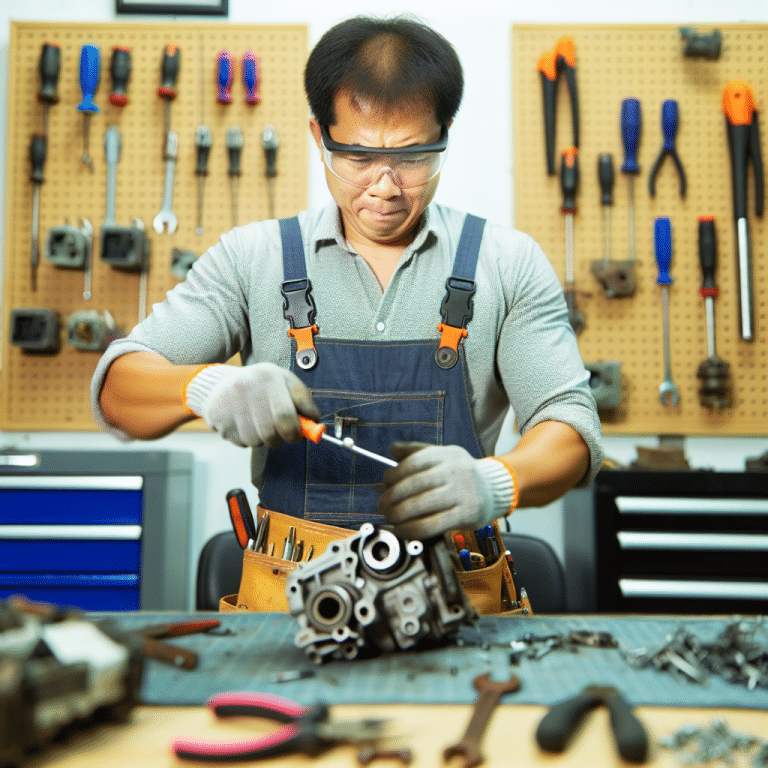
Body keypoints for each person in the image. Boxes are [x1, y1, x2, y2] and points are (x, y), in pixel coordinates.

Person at [92, 15, 603, 541]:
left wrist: (498, 481)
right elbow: (117, 391)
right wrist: (202, 387)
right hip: (291, 585)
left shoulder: (507, 262)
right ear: (320, 135)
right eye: (358, 156)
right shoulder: (253, 258)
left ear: (445, 136)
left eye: (412, 156)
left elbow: (570, 425)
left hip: (457, 580)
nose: (385, 187)